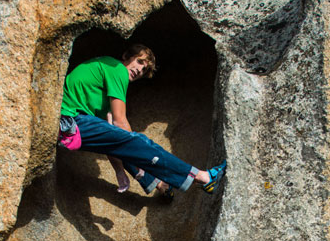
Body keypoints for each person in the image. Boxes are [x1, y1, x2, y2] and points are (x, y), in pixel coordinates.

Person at [57, 44, 226, 196]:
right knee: (138, 142)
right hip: (70, 121)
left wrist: (119, 171)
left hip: (72, 129)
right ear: (126, 57)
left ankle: (159, 184)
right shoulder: (116, 68)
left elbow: (111, 140)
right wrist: (135, 143)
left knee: (127, 143)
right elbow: (120, 122)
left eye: (144, 70)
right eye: (139, 62)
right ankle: (203, 177)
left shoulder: (102, 97)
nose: (139, 70)